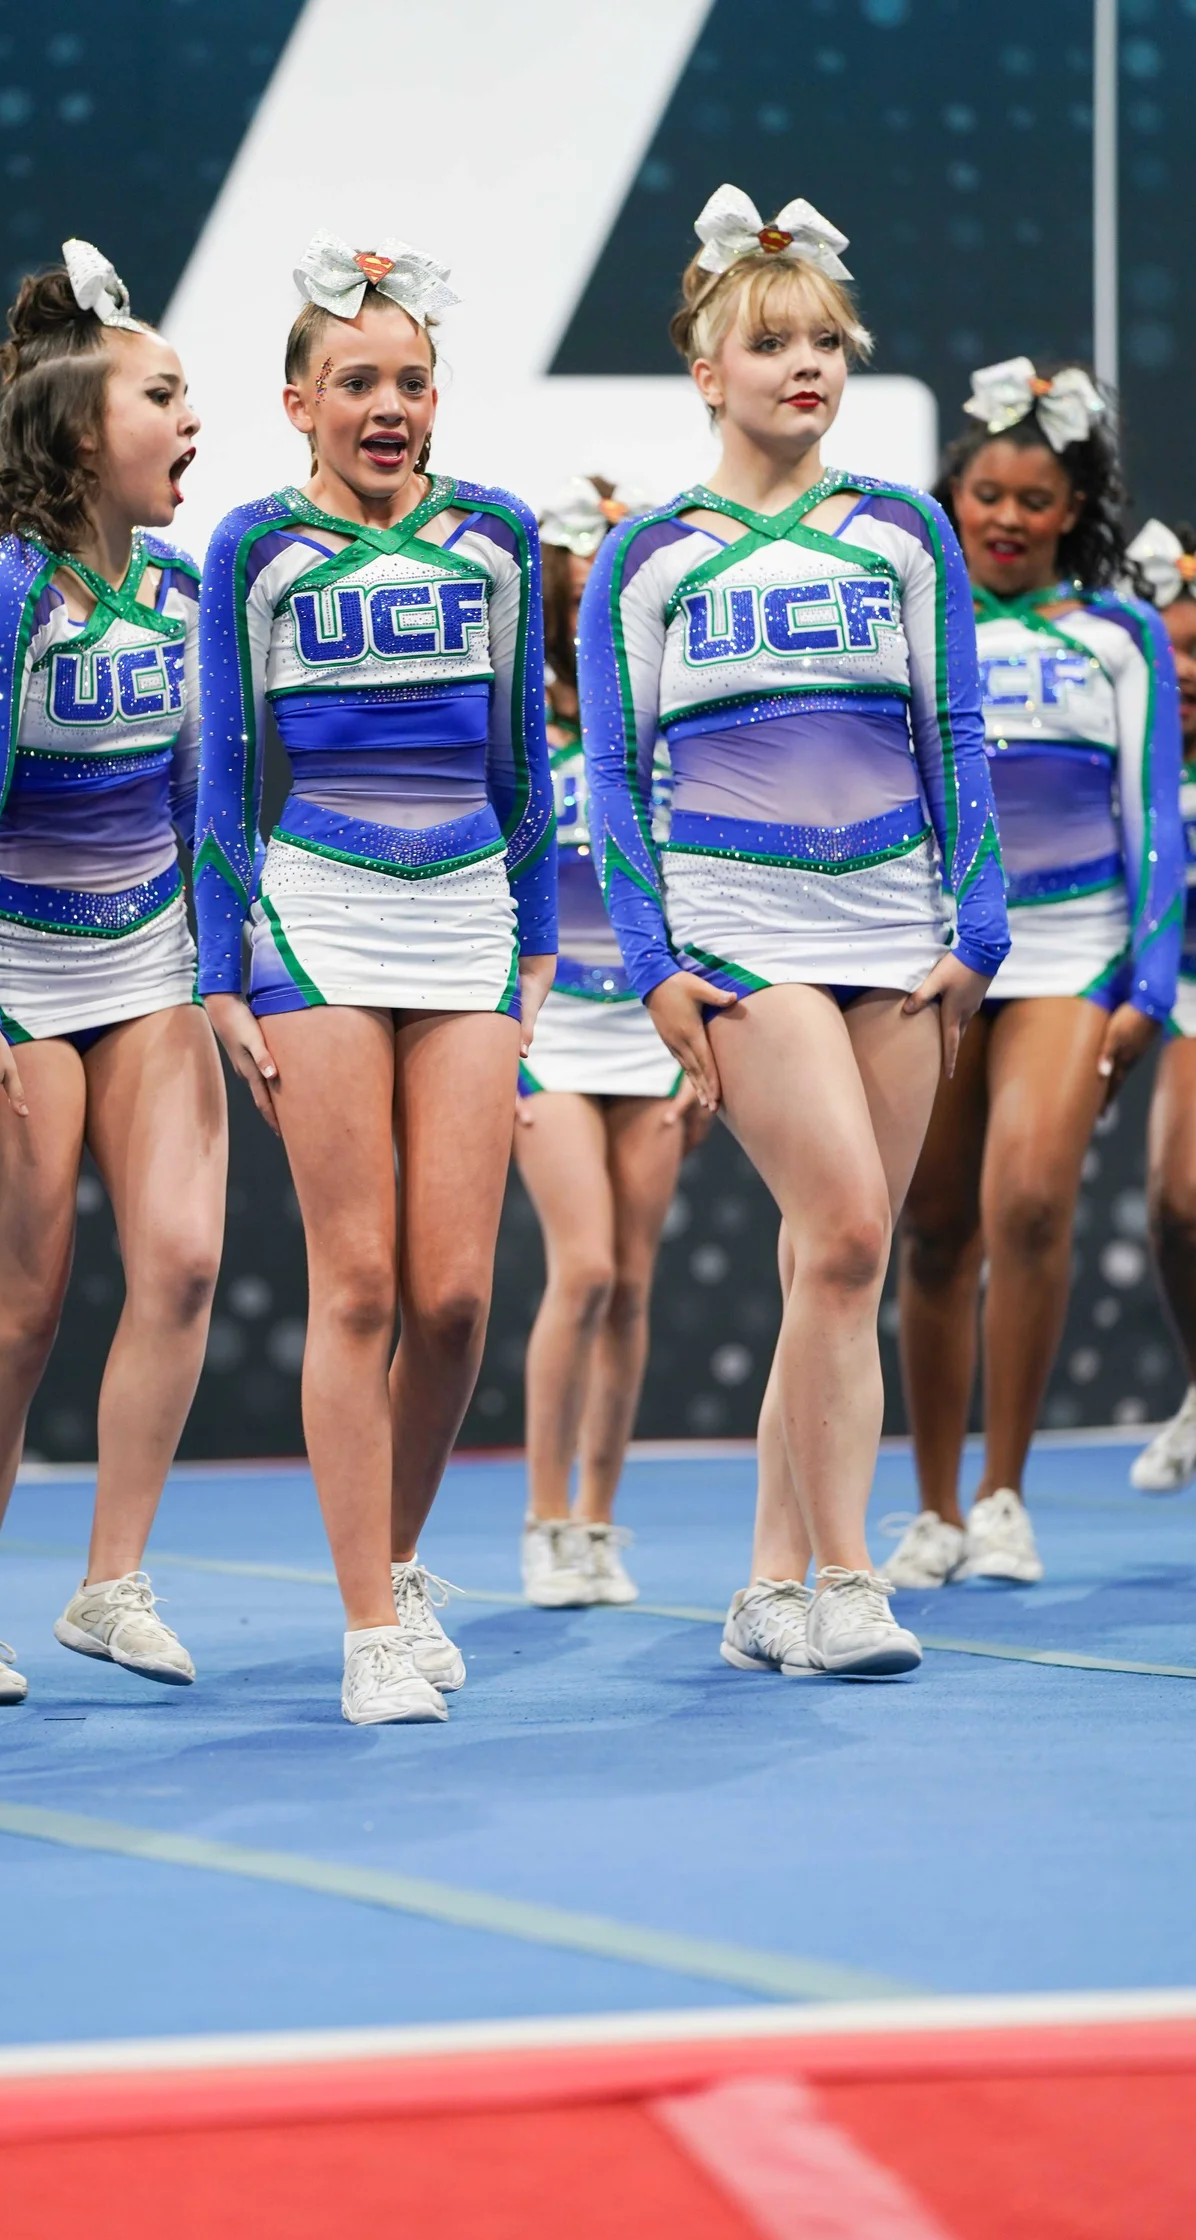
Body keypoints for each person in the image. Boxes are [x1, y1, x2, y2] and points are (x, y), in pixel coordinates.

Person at [581, 185, 1007, 1678]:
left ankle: (766, 1585)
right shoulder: (648, 556)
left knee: (836, 1268)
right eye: (770, 344)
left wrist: (981, 921)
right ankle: (844, 1576)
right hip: (739, 931)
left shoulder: (903, 531)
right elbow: (612, 774)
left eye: (825, 341)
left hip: (894, 924)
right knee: (844, 1232)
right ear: (708, 370)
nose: (805, 365)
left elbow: (956, 729)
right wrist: (652, 961)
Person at [196, 232, 555, 1725]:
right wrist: (221, 970)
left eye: (410, 380)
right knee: (357, 1285)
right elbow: (223, 781)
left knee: (456, 1296)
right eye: (355, 381)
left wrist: (537, 945)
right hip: (318, 923)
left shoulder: (498, 535)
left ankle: (399, 1565)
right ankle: (364, 1630)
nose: (386, 405)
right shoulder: (251, 548)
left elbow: (523, 765)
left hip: (468, 920)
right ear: (299, 403)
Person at [0, 241, 226, 1705]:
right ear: (81, 430)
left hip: (151, 963)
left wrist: (224, 977)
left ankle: (111, 1582)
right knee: (23, 1310)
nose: (190, 418)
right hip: (27, 983)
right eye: (160, 396)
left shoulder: (183, 590)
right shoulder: (7, 596)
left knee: (184, 1262)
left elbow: (201, 812)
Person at [887, 364, 1181, 1584]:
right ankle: (933, 1510)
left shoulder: (1120, 636)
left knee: (1028, 1203)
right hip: (942, 951)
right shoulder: (914, 625)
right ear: (952, 499)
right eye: (988, 495)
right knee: (935, 1228)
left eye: (1035, 499)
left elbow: (1152, 817)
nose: (1007, 518)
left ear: (1074, 511)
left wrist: (1148, 987)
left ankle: (1003, 1494)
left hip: (1073, 952)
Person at [516, 476, 711, 1609]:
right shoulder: (511, 717)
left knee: (631, 1285)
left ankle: (596, 1519)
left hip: (651, 1025)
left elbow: (701, 876)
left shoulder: (665, 718)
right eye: (581, 570)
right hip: (544, 1031)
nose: (598, 586)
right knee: (583, 1267)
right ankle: (543, 1520)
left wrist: (700, 1036)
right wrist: (494, 1028)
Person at [1125, 521, 1196, 1489]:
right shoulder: (1125, 744)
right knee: (1179, 1208)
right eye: (1169, 649)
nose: (1184, 669)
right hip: (1176, 988)